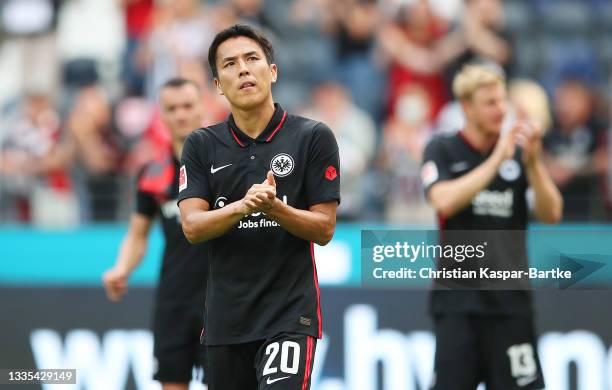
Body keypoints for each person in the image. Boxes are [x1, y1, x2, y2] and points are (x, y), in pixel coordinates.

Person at [177, 24, 340, 390]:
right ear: (218, 84)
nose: (244, 69)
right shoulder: (202, 145)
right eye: (230, 64)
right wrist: (242, 207)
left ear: (273, 70)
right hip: (225, 322)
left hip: (288, 316)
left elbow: (325, 228)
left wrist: (275, 209)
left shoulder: (313, 136)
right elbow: (192, 226)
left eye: (252, 59)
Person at [421, 65, 563, 389]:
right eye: (490, 103)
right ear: (467, 107)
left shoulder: (519, 154)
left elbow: (552, 213)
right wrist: (495, 161)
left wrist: (535, 164)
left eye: (502, 101)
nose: (501, 110)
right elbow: (444, 201)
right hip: (458, 302)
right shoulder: (442, 148)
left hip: (510, 302)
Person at [103, 78, 208, 390]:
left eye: (187, 106)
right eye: (172, 108)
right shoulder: (152, 173)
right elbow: (138, 234)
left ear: (202, 108)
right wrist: (121, 268)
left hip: (221, 299)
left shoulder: (225, 165)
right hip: (173, 298)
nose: (180, 115)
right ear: (161, 116)